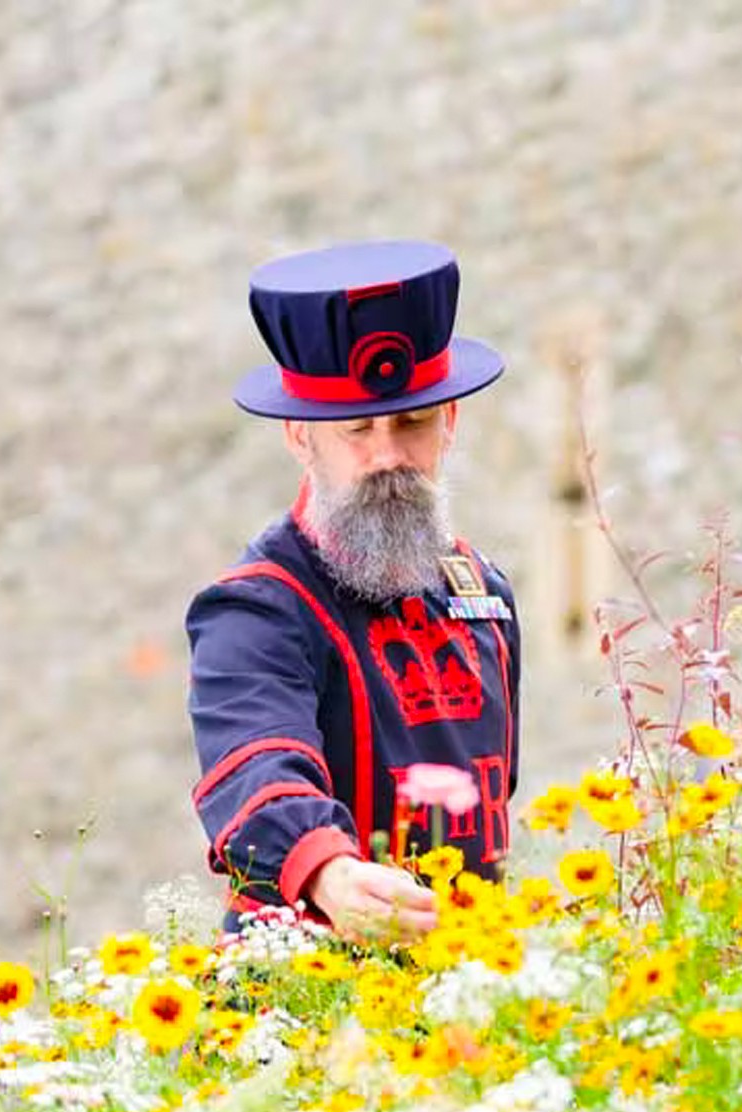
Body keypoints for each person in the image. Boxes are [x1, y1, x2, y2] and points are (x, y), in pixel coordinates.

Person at [184, 239, 520, 944]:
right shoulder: (254, 610)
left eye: (412, 423)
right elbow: (253, 766)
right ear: (299, 437)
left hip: (466, 986)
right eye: (357, 430)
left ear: (449, 424)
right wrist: (329, 874)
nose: (388, 456)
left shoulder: (484, 593)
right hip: (306, 993)